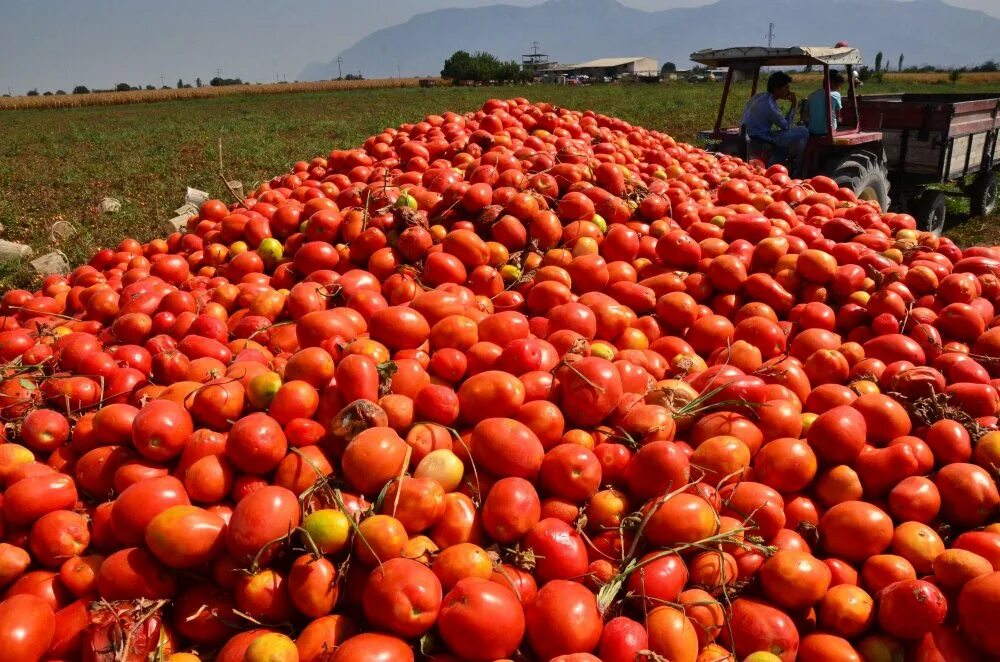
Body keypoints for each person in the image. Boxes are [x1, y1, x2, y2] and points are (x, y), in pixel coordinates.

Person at [741, 72, 809, 174]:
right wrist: (794, 105)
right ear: (776, 89)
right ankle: (798, 170)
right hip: (758, 136)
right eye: (786, 88)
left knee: (783, 145)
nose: (788, 91)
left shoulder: (759, 96)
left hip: (747, 132)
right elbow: (787, 127)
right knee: (803, 131)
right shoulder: (771, 106)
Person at [807, 70, 845, 135]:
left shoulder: (811, 95)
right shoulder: (836, 95)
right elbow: (838, 114)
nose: (839, 89)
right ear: (832, 83)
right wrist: (839, 120)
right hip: (828, 132)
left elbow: (808, 112)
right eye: (839, 86)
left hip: (812, 130)